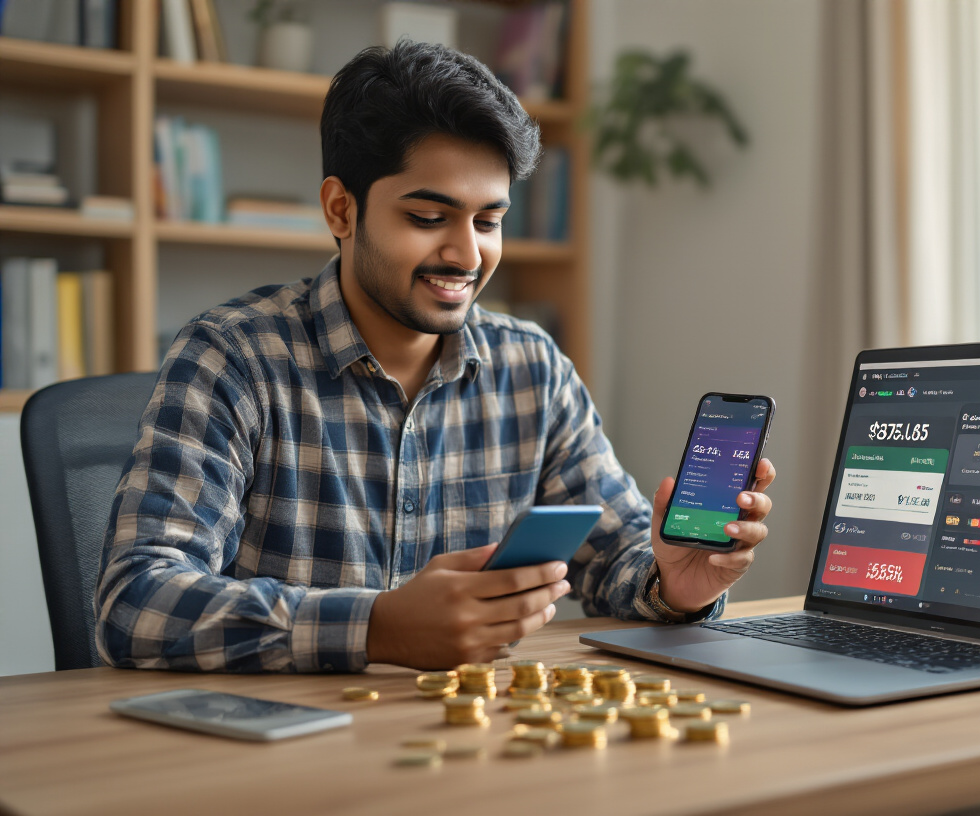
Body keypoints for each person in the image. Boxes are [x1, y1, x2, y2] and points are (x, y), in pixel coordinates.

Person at [95, 41, 775, 673]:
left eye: (489, 221)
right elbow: (135, 603)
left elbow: (617, 560)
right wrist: (375, 627)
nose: (467, 255)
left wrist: (675, 584)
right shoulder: (233, 358)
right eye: (428, 218)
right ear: (341, 209)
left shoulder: (532, 369)